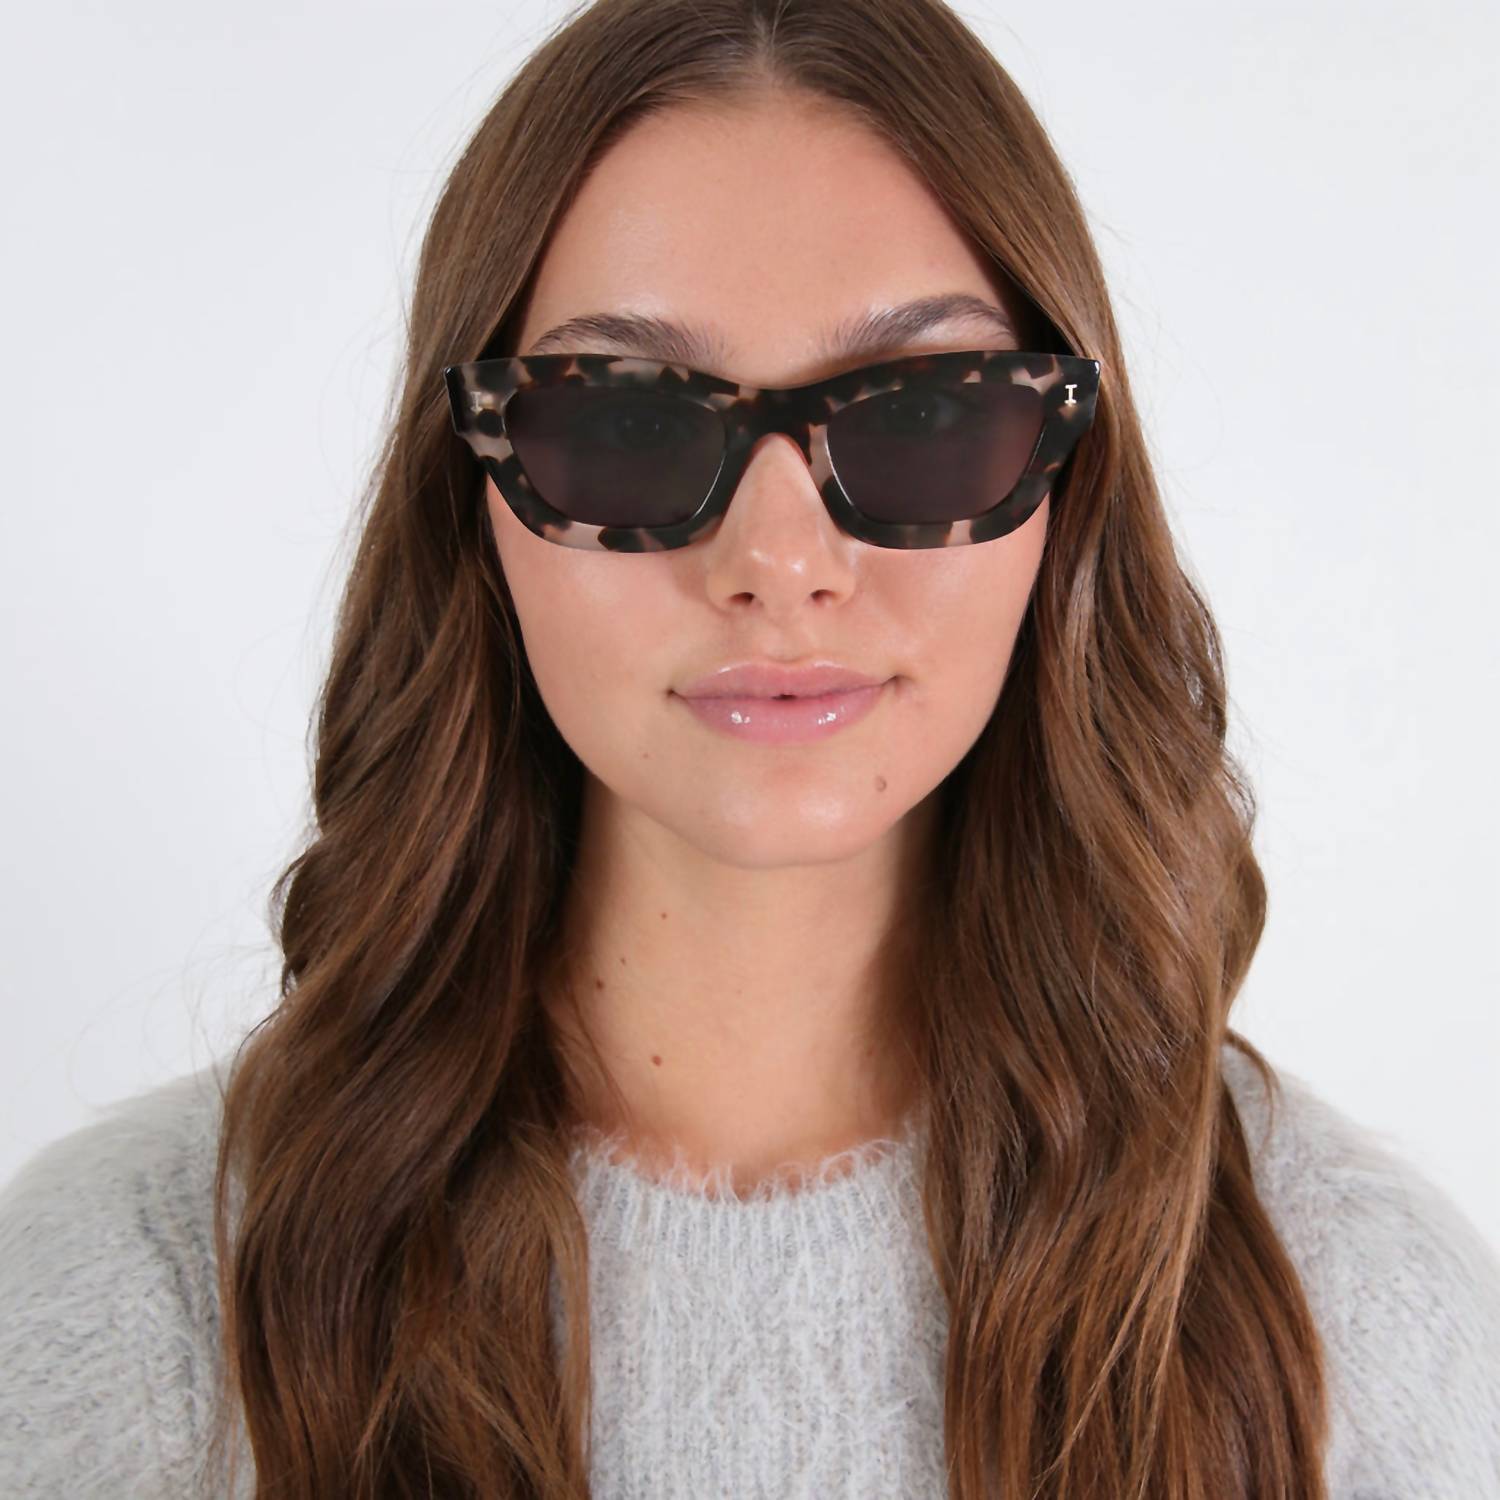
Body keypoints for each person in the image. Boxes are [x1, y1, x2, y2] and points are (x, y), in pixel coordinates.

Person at [2, 0, 1498, 1496]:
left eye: (924, 414)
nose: (779, 564)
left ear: (1068, 484)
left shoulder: (1362, 1324)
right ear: (473, 501)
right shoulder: (119, 1315)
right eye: (624, 424)